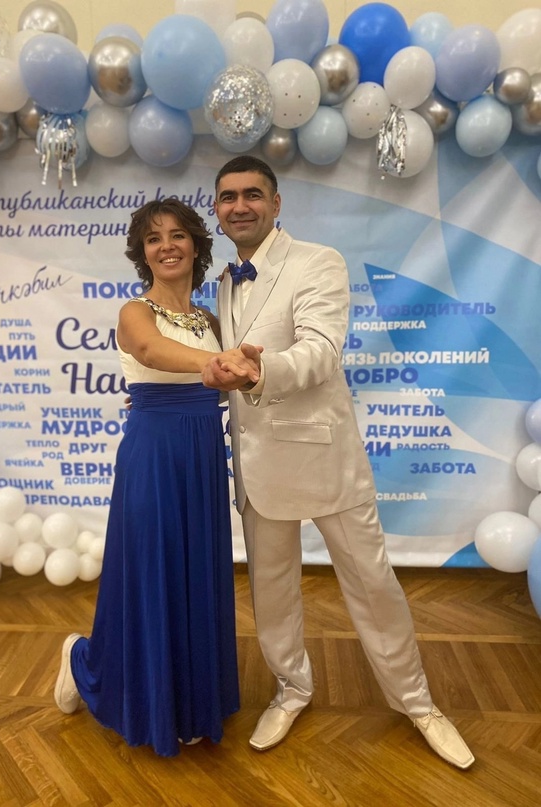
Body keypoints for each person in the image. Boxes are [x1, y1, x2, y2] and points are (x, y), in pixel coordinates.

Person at [201, 155, 475, 770]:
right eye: (228, 197)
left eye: (252, 194)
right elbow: (224, 368)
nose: (240, 206)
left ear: (276, 203)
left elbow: (321, 352)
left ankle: (419, 704)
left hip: (326, 458)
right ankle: (291, 689)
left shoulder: (318, 261)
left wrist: (259, 371)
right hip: (257, 468)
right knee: (272, 591)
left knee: (373, 585)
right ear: (216, 210)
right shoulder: (223, 280)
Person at [54, 199, 260, 757]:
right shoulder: (134, 311)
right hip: (153, 455)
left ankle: (189, 703)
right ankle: (83, 661)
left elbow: (226, 380)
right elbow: (149, 349)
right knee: (150, 573)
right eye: (153, 238)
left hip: (201, 454)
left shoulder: (211, 321)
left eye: (177, 235)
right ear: (142, 253)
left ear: (196, 244)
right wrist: (211, 366)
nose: (166, 245)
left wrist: (235, 371)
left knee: (195, 573)